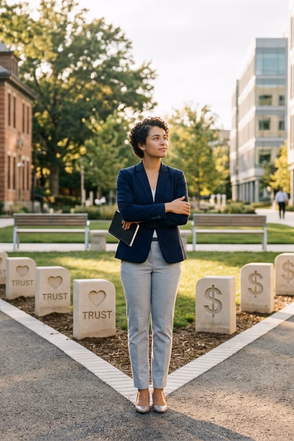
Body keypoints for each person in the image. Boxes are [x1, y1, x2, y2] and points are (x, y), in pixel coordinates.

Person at [115, 117, 190, 414]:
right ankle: (141, 390)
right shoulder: (127, 176)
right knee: (137, 327)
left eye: (164, 137)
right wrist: (165, 208)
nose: (163, 142)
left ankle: (159, 389)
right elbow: (127, 210)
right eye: (156, 138)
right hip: (135, 256)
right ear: (141, 144)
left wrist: (148, 214)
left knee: (163, 327)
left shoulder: (176, 176)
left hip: (168, 257)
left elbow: (181, 216)